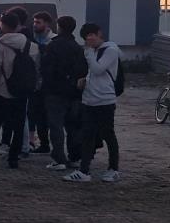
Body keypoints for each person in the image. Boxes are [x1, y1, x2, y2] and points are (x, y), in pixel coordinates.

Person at [0, 12, 39, 169]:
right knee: (18, 126)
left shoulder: (1, 43)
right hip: (20, 92)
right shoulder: (31, 46)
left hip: (0, 92)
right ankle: (13, 159)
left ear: (3, 25)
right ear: (18, 25)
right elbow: (35, 70)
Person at [64, 23, 122, 183]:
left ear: (99, 34)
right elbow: (93, 73)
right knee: (87, 136)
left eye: (91, 35)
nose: (89, 39)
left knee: (108, 135)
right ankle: (84, 170)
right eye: (86, 36)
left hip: (105, 100)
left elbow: (98, 69)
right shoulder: (93, 51)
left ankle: (113, 169)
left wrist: (88, 53)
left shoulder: (110, 50)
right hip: (89, 100)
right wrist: (84, 81)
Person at [42, 15, 87, 171]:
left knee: (56, 126)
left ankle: (59, 159)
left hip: (55, 92)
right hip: (74, 93)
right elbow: (83, 70)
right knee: (73, 126)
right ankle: (74, 157)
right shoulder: (77, 47)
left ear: (59, 27)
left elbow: (47, 69)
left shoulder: (53, 46)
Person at [28, 11, 56, 154]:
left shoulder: (53, 40)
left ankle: (50, 144)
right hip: (35, 84)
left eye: (38, 22)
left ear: (47, 24)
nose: (35, 25)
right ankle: (41, 143)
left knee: (48, 116)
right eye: (34, 22)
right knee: (36, 115)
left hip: (49, 85)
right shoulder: (33, 40)